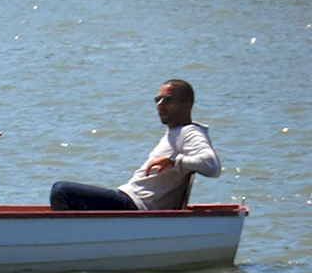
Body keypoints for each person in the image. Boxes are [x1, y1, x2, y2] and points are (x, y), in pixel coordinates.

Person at [49, 79, 221, 211]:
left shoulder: (189, 132)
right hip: (129, 199)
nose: (160, 105)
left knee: (61, 191)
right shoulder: (175, 133)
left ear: (187, 105)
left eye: (168, 100)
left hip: (137, 206)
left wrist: (172, 160)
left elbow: (212, 165)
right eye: (158, 99)